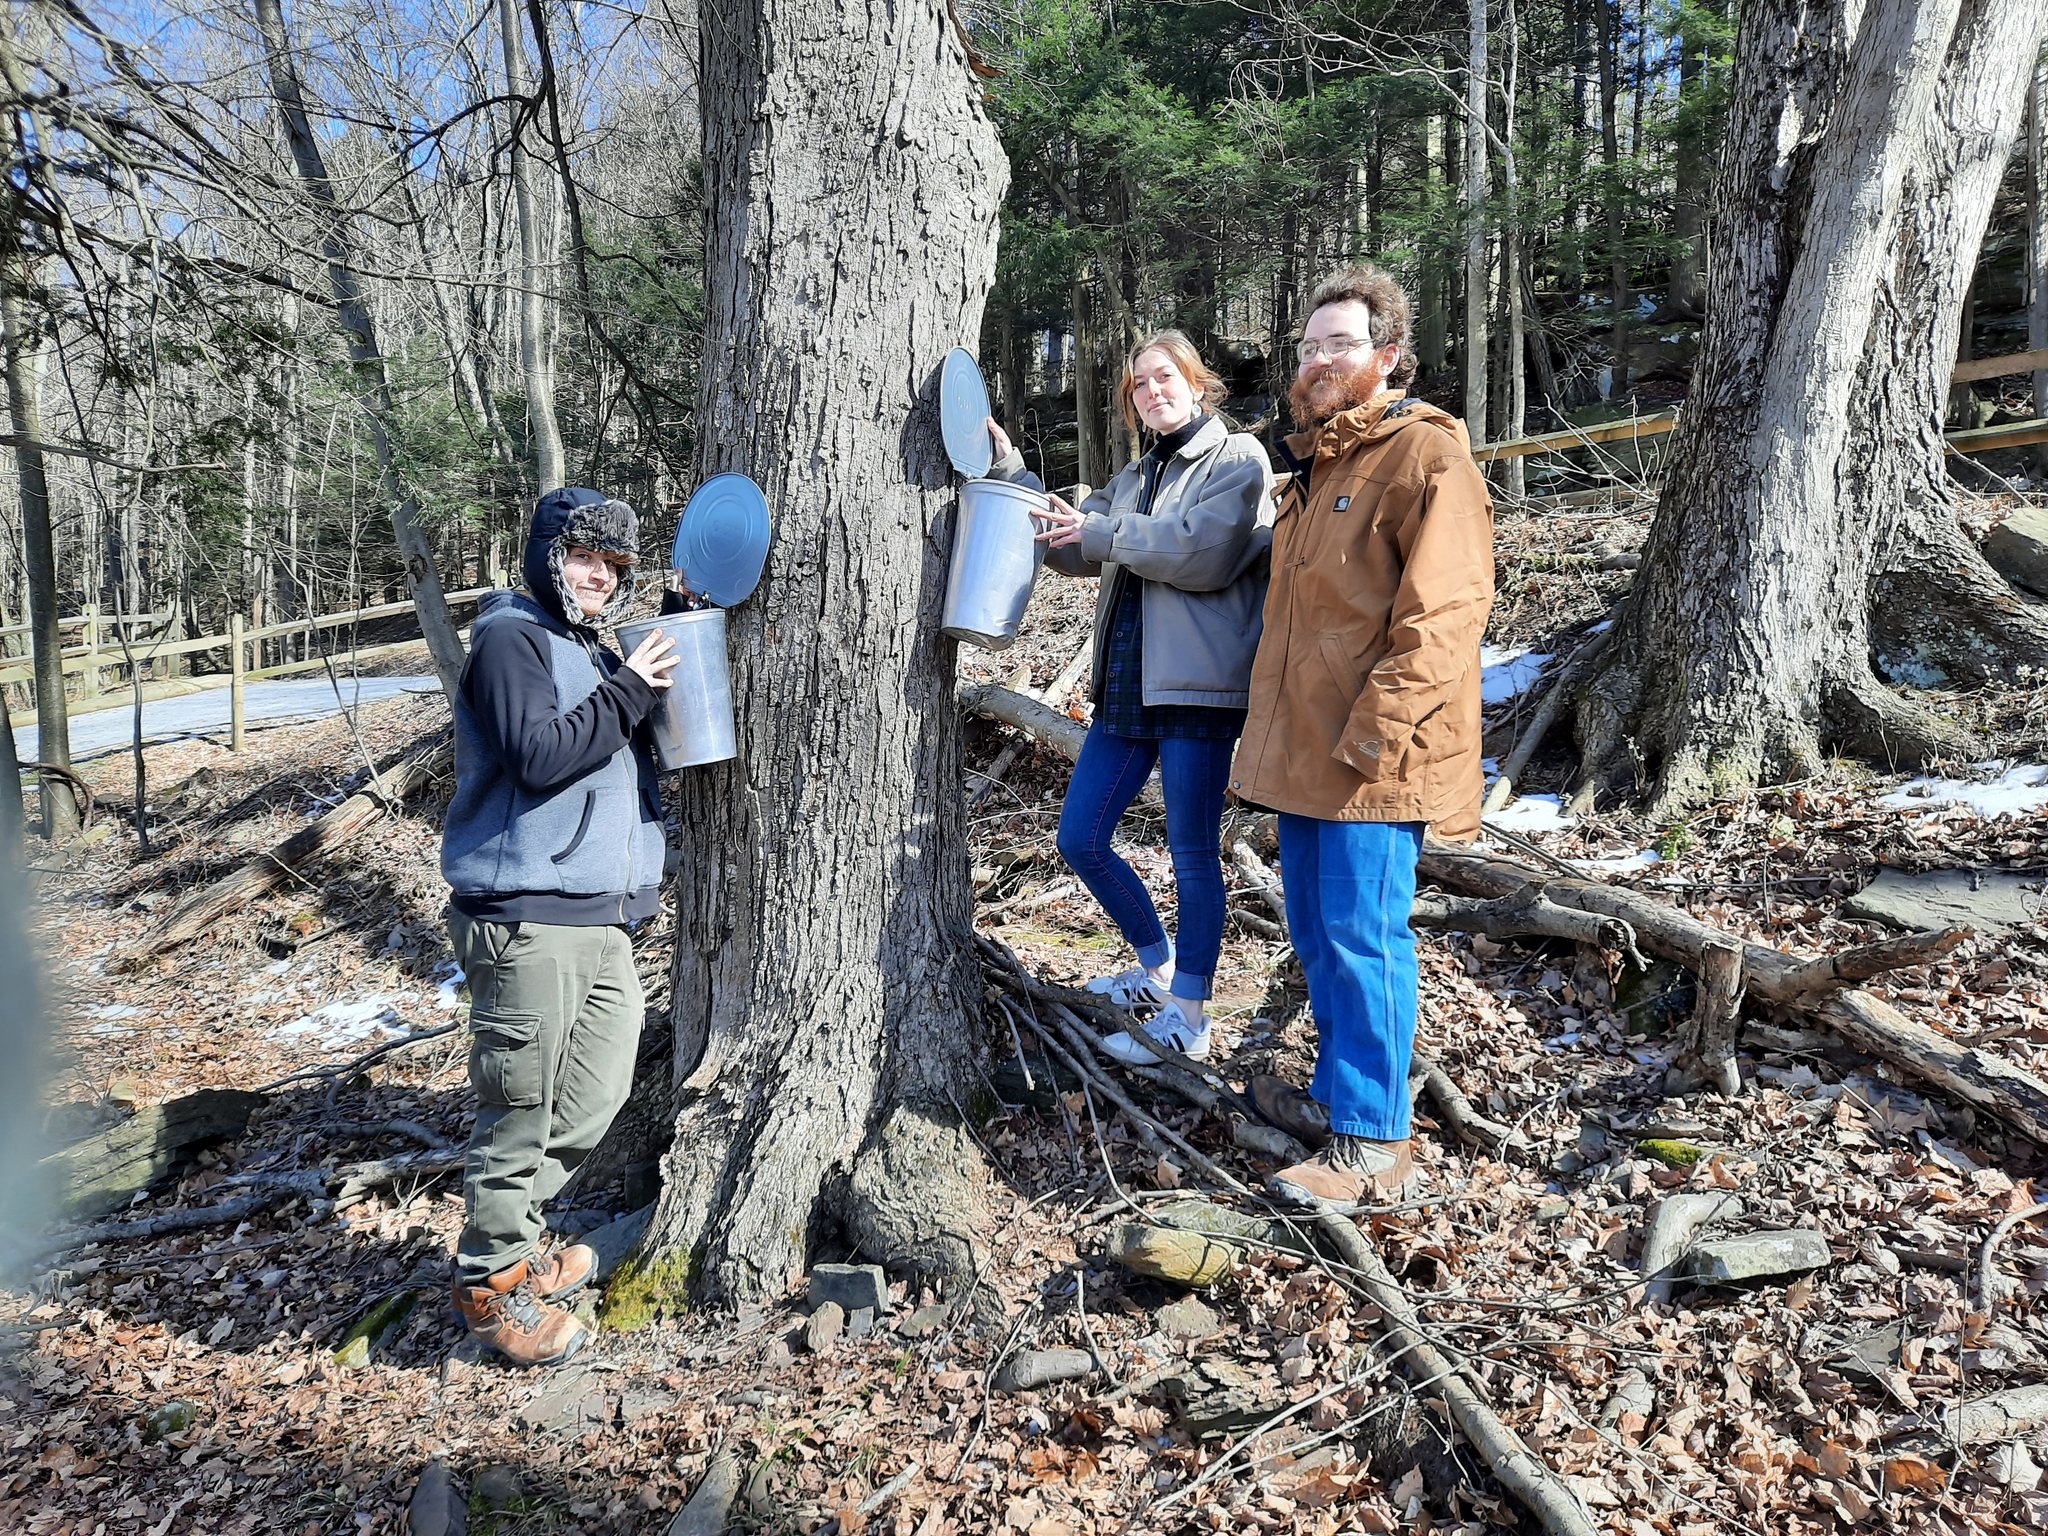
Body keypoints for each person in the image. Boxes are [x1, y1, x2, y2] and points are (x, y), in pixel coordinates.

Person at [1230, 265, 1495, 1209]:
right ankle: (1341, 1099)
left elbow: (1445, 615)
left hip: (1372, 758)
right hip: (1307, 752)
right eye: (1308, 346)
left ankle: (1376, 1142)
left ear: (1388, 355)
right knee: (1313, 931)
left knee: (1361, 936)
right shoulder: (1316, 471)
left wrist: (1376, 738)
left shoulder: (1426, 458)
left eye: (1338, 342)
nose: (1318, 359)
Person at [439, 487, 680, 1366]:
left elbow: (613, 743)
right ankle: (492, 1284)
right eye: (585, 558)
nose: (599, 576)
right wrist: (628, 686)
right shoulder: (511, 636)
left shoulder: (588, 643)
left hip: (599, 918)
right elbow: (537, 756)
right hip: (524, 916)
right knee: (520, 1106)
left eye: (615, 565)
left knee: (597, 1091)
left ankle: (512, 1242)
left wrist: (664, 641)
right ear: (548, 553)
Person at [985, 330, 1273, 1063]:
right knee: (1080, 837)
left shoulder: (1237, 458)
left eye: (1164, 377)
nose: (1152, 391)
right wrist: (1012, 475)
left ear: (1198, 383)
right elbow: (1076, 543)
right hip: (1126, 684)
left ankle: (1191, 1017)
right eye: (1139, 385)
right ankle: (1158, 968)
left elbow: (1202, 552)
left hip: (1197, 690)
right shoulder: (1138, 472)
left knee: (1191, 853)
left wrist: (1102, 526)